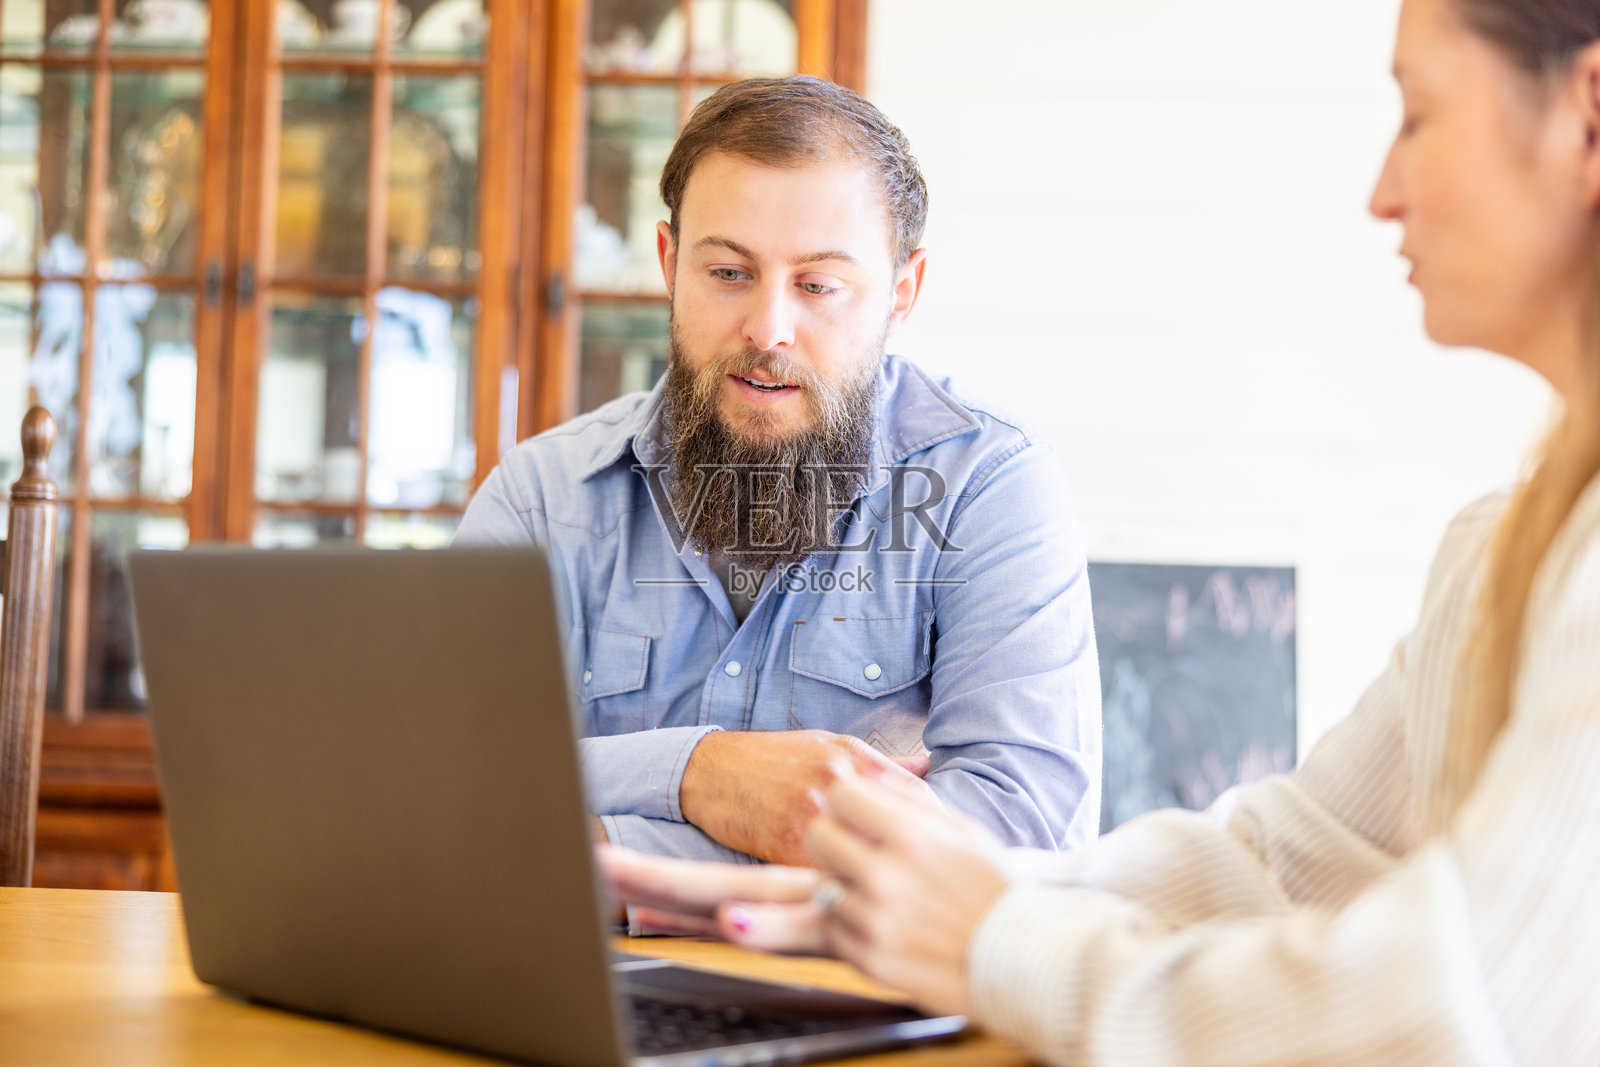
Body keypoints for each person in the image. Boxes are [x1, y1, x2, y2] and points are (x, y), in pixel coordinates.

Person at [597, 0, 1600, 1060]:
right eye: (727, 268)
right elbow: (1276, 862)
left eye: (1419, 115)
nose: (1381, 192)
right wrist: (875, 897)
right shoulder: (1502, 547)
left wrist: (995, 939)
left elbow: (1450, 1002)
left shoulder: (990, 476)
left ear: (1586, 116)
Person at [454, 77, 1102, 878]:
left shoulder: (990, 486)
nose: (768, 329)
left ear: (902, 293)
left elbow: (1023, 837)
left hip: (868, 1003)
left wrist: (609, 845)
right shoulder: (538, 499)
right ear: (669, 262)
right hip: (575, 999)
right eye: (728, 272)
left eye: (818, 285)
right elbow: (436, 786)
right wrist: (700, 773)